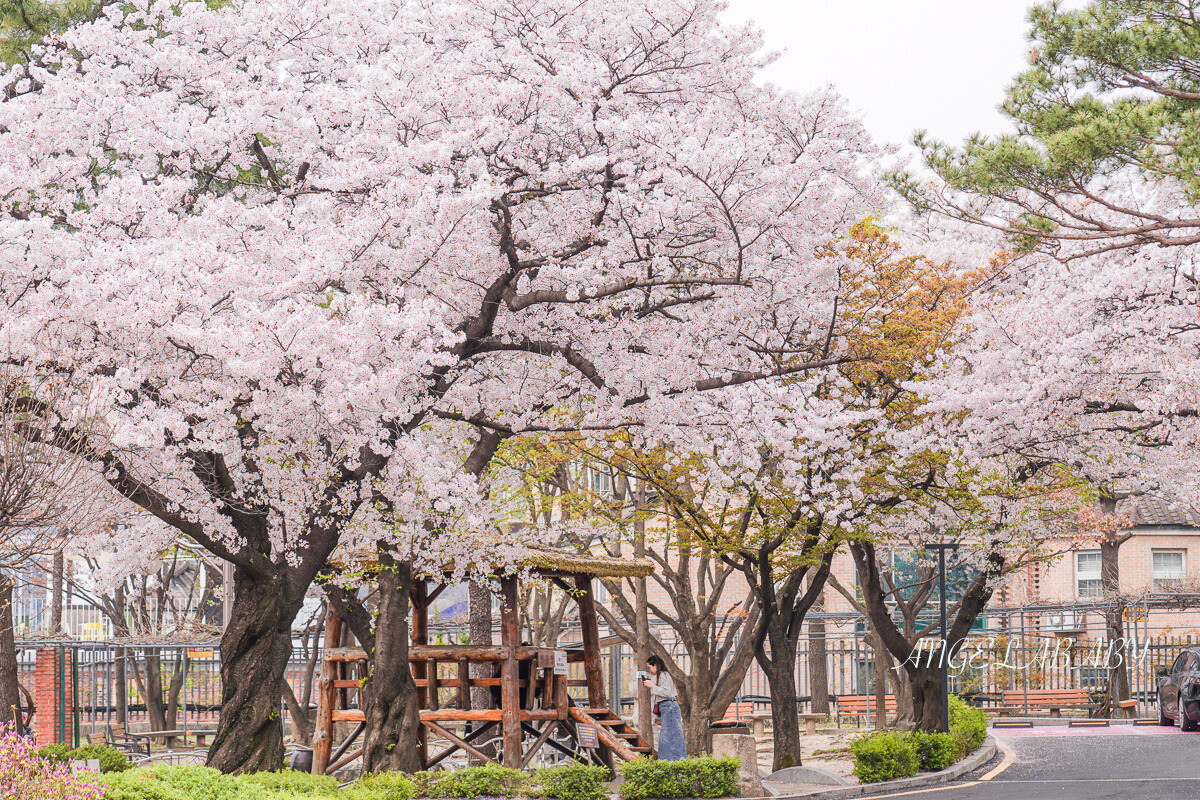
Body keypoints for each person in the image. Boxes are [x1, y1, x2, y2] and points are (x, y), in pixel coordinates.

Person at [643, 655, 685, 760]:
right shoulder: (661, 676)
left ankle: (673, 762)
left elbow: (666, 693)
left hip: (669, 707)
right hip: (667, 708)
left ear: (656, 665)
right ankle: (673, 761)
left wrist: (652, 686)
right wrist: (657, 716)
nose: (649, 670)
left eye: (650, 667)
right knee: (669, 736)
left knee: (669, 737)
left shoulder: (664, 675)